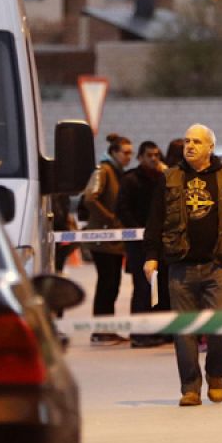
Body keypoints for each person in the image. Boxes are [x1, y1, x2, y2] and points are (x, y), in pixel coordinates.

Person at [143, 125, 222, 406]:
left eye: (197, 142)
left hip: (217, 266)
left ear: (209, 147)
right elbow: (154, 220)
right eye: (187, 141)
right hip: (180, 267)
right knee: (184, 333)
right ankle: (190, 388)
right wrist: (151, 256)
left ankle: (215, 375)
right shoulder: (169, 177)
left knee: (221, 327)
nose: (190, 145)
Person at [118, 140, 168, 346]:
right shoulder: (131, 179)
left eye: (156, 155)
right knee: (142, 287)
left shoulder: (162, 178)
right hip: (139, 243)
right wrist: (140, 230)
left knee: (158, 287)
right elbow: (121, 208)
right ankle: (139, 334)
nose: (154, 159)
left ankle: (156, 330)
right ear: (140, 158)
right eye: (149, 155)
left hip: (159, 243)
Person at [83, 134, 132, 339]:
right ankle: (101, 331)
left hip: (113, 240)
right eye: (125, 153)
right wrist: (110, 219)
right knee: (107, 284)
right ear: (114, 152)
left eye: (131, 153)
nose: (129, 157)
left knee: (112, 285)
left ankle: (107, 329)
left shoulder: (117, 172)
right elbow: (90, 198)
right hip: (103, 239)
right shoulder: (103, 171)